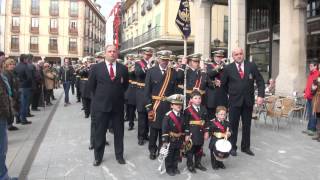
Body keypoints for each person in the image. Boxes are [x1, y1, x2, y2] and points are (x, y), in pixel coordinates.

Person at [88, 44, 129, 166]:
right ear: (105, 53)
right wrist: (102, 97)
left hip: (117, 107)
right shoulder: (96, 68)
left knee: (119, 133)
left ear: (117, 53)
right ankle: (98, 157)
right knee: (99, 133)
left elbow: (125, 85)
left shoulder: (123, 68)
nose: (112, 53)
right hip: (101, 106)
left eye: (114, 51)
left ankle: (119, 156)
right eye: (109, 51)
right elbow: (92, 86)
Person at [221, 47, 265, 156]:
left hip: (248, 102)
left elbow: (260, 81)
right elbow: (223, 85)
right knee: (233, 126)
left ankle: (245, 147)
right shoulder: (228, 68)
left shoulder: (251, 66)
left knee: (247, 125)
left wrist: (260, 95)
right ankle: (232, 147)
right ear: (233, 56)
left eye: (240, 53)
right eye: (236, 54)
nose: (239, 56)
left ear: (243, 54)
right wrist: (232, 93)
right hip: (234, 102)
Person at [144, 50, 184, 160]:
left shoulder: (173, 72)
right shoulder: (151, 71)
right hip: (155, 105)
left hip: (168, 105)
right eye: (162, 59)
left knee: (165, 130)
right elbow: (147, 91)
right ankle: (152, 150)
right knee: (154, 130)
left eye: (166, 60)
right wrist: (149, 108)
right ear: (158, 59)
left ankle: (163, 150)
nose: (164, 62)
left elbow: (176, 90)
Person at [0, 52, 18, 180]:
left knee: (3, 149)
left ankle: (4, 175)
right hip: (1, 115)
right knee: (1, 149)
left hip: (3, 115)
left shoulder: (3, 75)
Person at [184, 90, 208, 173]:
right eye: (195, 98)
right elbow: (186, 123)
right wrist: (187, 134)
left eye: (199, 98)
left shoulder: (204, 108)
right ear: (191, 100)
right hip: (192, 133)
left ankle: (198, 163)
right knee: (190, 150)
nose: (198, 100)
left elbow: (206, 121)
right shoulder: (187, 110)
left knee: (199, 149)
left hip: (201, 132)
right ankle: (190, 165)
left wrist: (206, 132)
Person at [161, 94, 185, 176]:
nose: (179, 106)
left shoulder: (182, 115)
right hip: (171, 139)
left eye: (180, 104)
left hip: (179, 140)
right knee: (169, 155)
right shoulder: (168, 116)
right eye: (176, 104)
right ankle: (169, 168)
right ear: (171, 105)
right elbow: (164, 129)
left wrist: (184, 137)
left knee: (176, 155)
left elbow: (184, 128)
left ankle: (175, 167)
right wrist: (165, 141)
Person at [135, 47, 153, 145]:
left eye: (150, 55)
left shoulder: (154, 63)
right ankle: (141, 136)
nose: (148, 56)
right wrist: (148, 66)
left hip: (150, 92)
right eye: (147, 54)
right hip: (141, 92)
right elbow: (138, 73)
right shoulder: (138, 63)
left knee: (149, 115)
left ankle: (146, 134)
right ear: (143, 54)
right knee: (142, 115)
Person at [205, 50, 228, 119]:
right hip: (213, 94)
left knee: (222, 114)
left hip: (222, 94)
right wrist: (220, 66)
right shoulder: (209, 65)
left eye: (221, 57)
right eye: (218, 56)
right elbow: (210, 74)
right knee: (212, 116)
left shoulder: (226, 66)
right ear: (214, 57)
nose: (219, 58)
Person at [302, 60, 319, 136]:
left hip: (314, 97)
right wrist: (305, 92)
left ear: (316, 66)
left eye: (311, 66)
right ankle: (309, 128)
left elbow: (316, 87)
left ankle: (313, 129)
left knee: (313, 113)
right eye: (309, 66)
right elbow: (308, 86)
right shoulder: (310, 75)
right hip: (309, 96)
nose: (310, 67)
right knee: (309, 113)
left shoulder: (318, 74)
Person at [14, 54, 32, 125]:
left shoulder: (16, 66)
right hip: (25, 87)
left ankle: (18, 119)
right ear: (24, 59)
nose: (28, 60)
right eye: (27, 59)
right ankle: (23, 120)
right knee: (24, 104)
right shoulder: (26, 66)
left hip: (18, 86)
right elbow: (29, 77)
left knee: (19, 103)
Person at [3, 58, 19, 131]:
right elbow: (8, 86)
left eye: (13, 64)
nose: (12, 66)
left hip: (14, 93)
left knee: (13, 109)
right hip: (10, 95)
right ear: (6, 65)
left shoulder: (12, 72)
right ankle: (9, 125)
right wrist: (10, 95)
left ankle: (10, 124)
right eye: (10, 64)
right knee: (11, 109)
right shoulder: (6, 73)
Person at [124, 54, 137, 131]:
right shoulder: (126, 66)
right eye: (129, 58)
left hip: (137, 88)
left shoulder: (137, 66)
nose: (130, 60)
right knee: (130, 107)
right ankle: (131, 123)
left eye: (131, 58)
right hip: (129, 89)